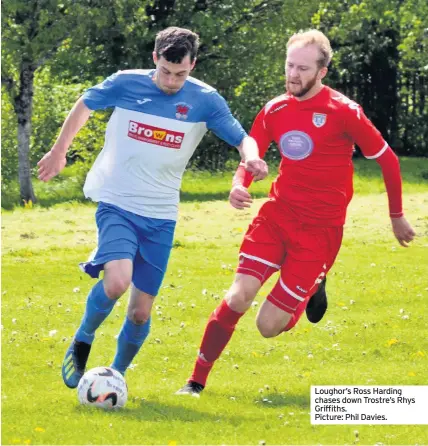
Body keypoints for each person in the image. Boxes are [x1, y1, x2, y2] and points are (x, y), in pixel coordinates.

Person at [176, 29, 416, 397]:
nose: (293, 74)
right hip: (276, 218)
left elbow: (388, 160)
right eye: (289, 65)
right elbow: (252, 152)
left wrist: (396, 214)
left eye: (303, 68)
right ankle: (195, 381)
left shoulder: (345, 112)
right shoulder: (276, 108)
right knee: (239, 295)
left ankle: (312, 286)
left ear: (322, 71)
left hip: (320, 233)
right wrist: (240, 183)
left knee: (268, 325)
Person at [37, 26, 268, 389]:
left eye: (182, 73)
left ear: (193, 65)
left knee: (140, 313)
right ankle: (83, 338)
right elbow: (85, 104)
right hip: (117, 202)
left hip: (161, 216)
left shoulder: (205, 100)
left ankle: (115, 377)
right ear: (155, 58)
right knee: (116, 282)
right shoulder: (125, 83)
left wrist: (251, 158)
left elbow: (242, 138)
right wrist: (59, 149)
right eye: (166, 71)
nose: (173, 81)